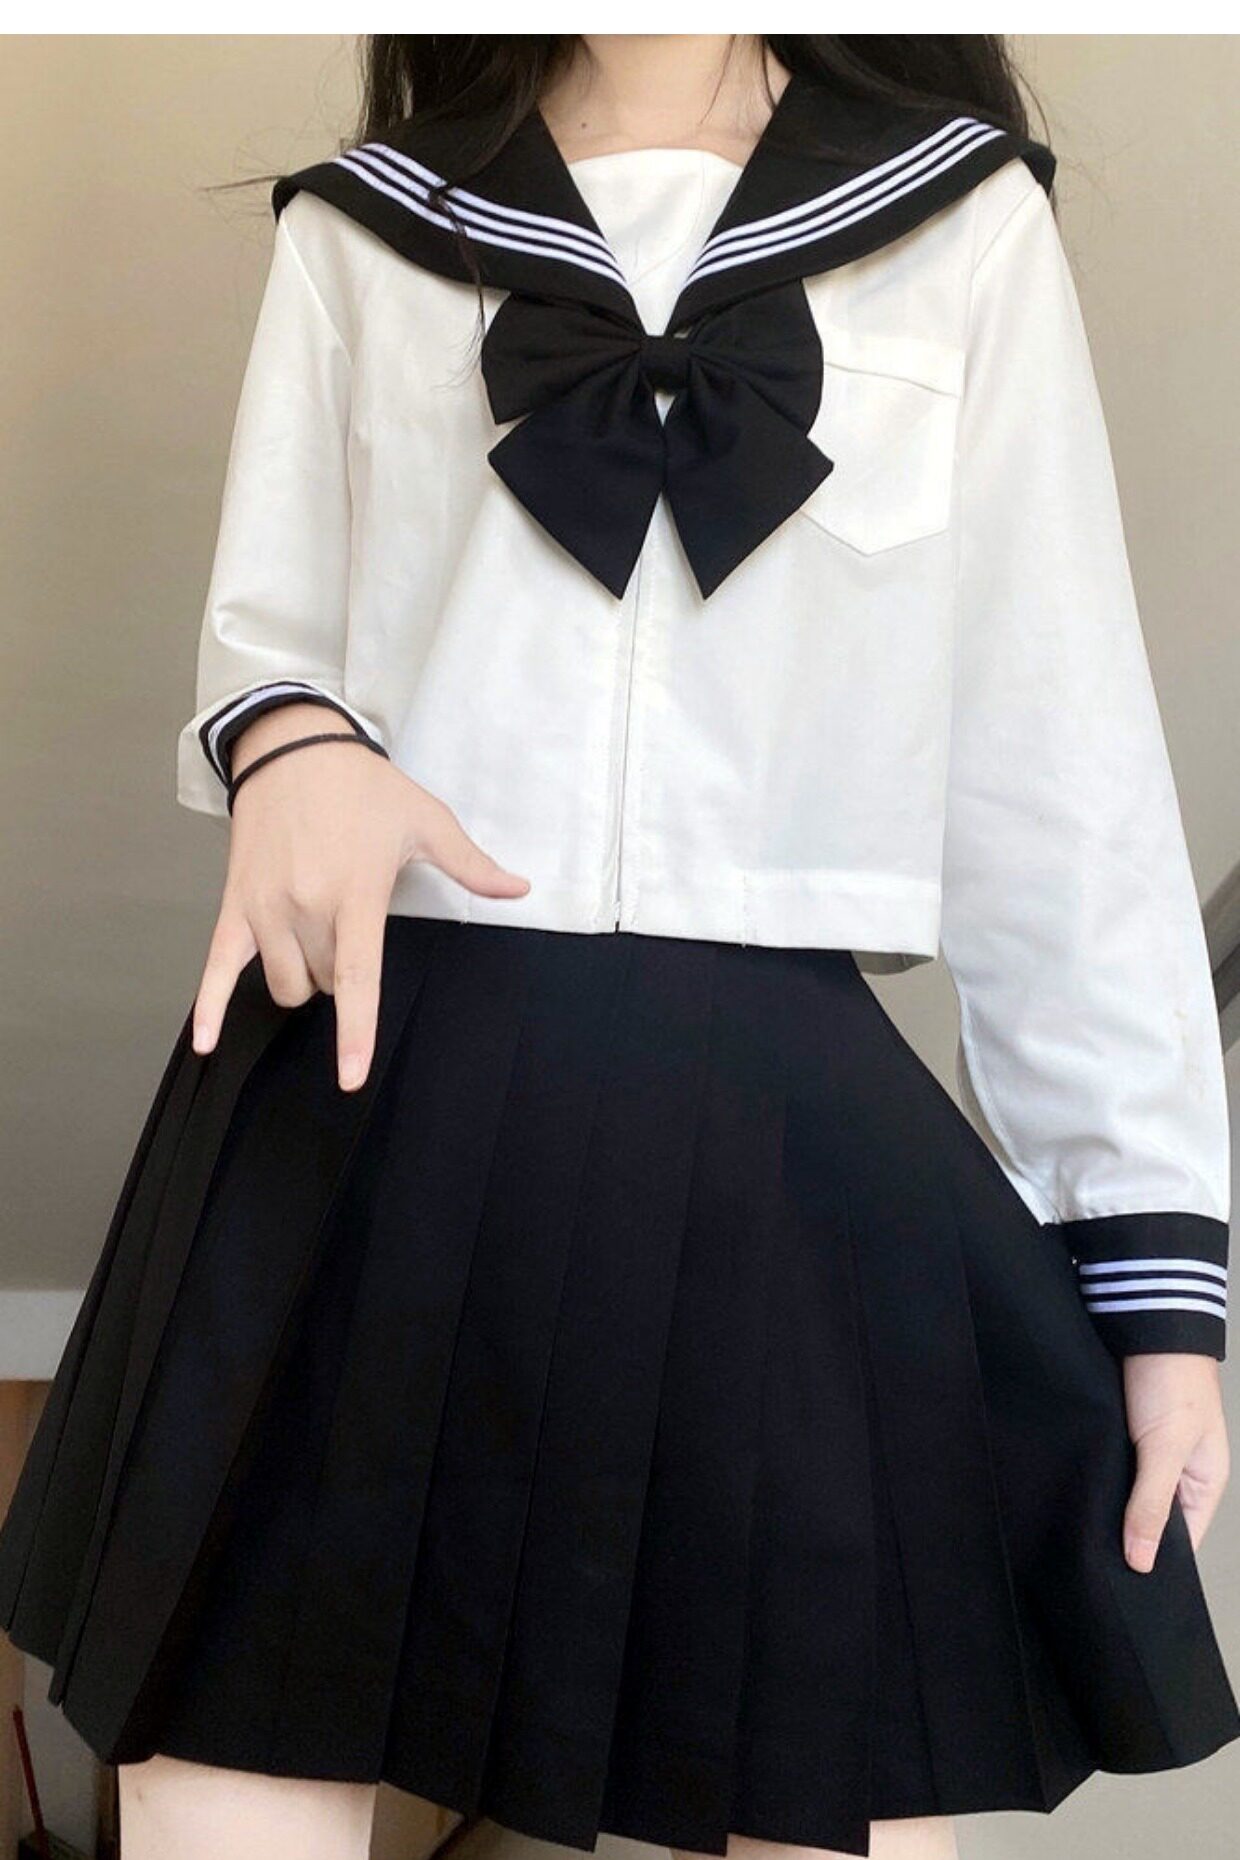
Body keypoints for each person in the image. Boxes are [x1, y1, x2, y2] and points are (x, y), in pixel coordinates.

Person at [0, 32, 1235, 1860]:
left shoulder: (961, 226)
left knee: (843, 1776)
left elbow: (1063, 775)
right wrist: (292, 742)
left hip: (775, 1127)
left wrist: (1157, 1281)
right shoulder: (367, 226)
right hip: (365, 1093)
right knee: (225, 1742)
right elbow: (270, 639)